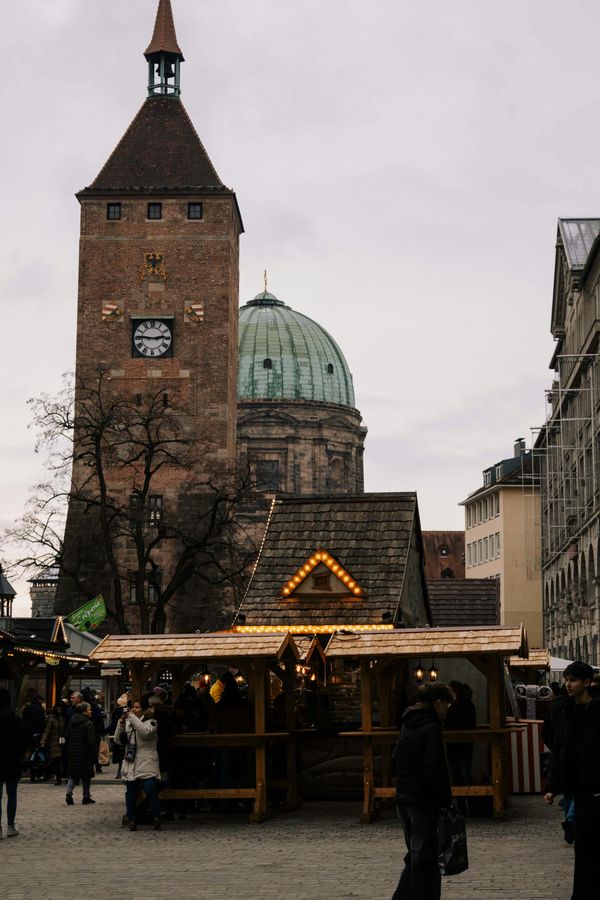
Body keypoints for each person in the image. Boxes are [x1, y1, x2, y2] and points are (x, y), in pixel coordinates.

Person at [392, 681, 453, 900]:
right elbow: (434, 768)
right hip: (422, 801)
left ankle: (401, 897)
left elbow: (395, 758)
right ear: (438, 703)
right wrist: (445, 800)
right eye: (447, 704)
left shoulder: (408, 722)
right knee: (424, 858)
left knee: (416, 853)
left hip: (404, 798)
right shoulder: (431, 726)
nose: (448, 709)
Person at [544, 661, 600, 900]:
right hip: (578, 788)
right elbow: (560, 749)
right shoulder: (565, 710)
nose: (568, 684)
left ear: (587, 682)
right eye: (567, 679)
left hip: (598, 786)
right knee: (584, 845)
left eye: (573, 680)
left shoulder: (598, 710)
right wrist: (553, 786)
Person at [114, 699, 162, 831]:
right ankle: (132, 819)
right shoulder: (129, 721)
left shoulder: (151, 722)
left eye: (137, 707)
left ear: (144, 709)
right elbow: (118, 740)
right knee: (130, 793)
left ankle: (156, 816)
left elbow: (145, 733)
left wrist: (131, 717)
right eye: (132, 707)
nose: (133, 709)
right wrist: (121, 723)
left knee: (150, 788)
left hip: (147, 762)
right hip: (131, 762)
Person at [0, 689, 26, 839]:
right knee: (12, 794)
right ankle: (10, 826)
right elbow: (23, 741)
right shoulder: (16, 719)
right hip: (11, 760)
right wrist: (19, 756)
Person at [65, 701, 97, 805]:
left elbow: (67, 737)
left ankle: (68, 794)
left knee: (73, 775)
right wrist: (94, 755)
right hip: (85, 753)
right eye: (89, 709)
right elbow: (91, 741)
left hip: (73, 752)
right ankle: (86, 796)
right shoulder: (88, 724)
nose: (91, 711)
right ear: (84, 712)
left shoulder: (71, 722)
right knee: (86, 776)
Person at [445, 681, 476, 789]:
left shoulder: (455, 705)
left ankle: (461, 801)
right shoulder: (469, 704)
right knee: (465, 771)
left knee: (457, 772)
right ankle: (471, 801)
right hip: (466, 742)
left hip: (454, 742)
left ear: (454, 691)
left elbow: (450, 722)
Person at [40, 703, 68, 785]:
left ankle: (65, 776)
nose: (59, 710)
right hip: (54, 742)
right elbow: (47, 730)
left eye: (61, 708)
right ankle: (58, 777)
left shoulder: (66, 718)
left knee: (64, 761)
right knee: (55, 761)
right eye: (58, 708)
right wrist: (43, 741)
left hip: (64, 742)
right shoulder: (52, 718)